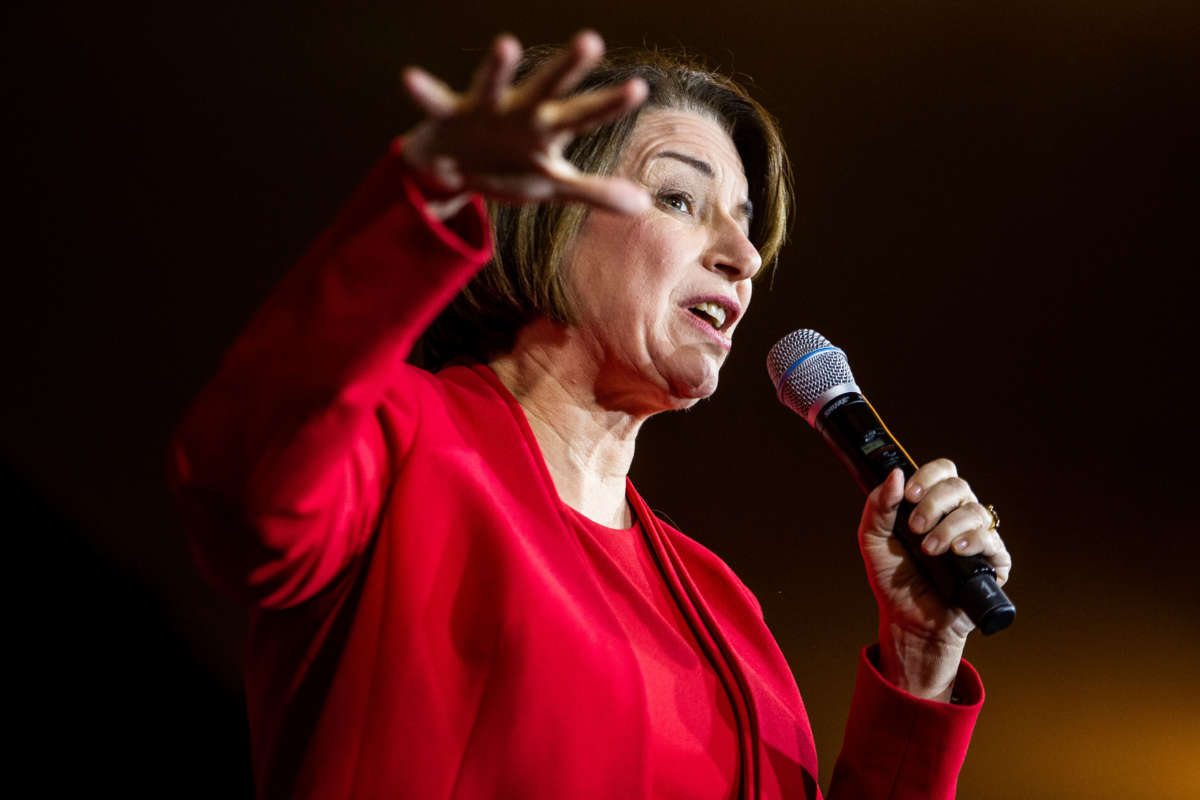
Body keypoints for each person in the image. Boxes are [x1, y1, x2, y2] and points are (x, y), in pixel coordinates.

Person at [169, 30, 1012, 800]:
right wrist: (424, 198)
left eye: (747, 226)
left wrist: (919, 663)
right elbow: (245, 491)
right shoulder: (402, 443)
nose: (745, 256)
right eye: (681, 200)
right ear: (545, 211)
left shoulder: (727, 612)